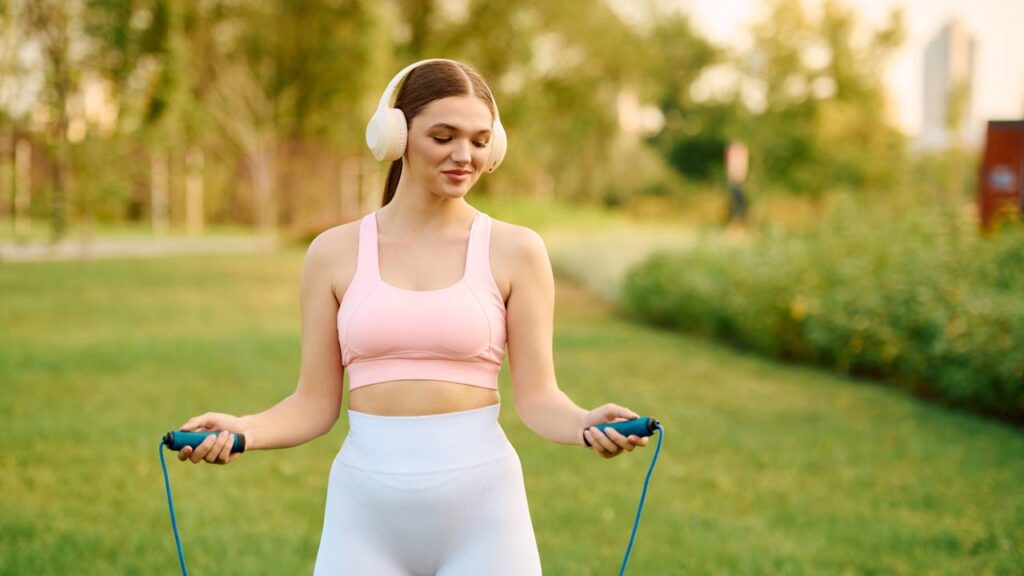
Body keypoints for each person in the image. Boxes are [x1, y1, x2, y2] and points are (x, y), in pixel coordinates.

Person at [174, 58, 650, 575]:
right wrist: (243, 429)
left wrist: (583, 423)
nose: (464, 156)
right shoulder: (332, 253)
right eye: (443, 137)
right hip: (363, 512)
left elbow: (538, 399)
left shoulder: (517, 251)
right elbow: (314, 404)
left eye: (479, 141)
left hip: (485, 512)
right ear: (395, 136)